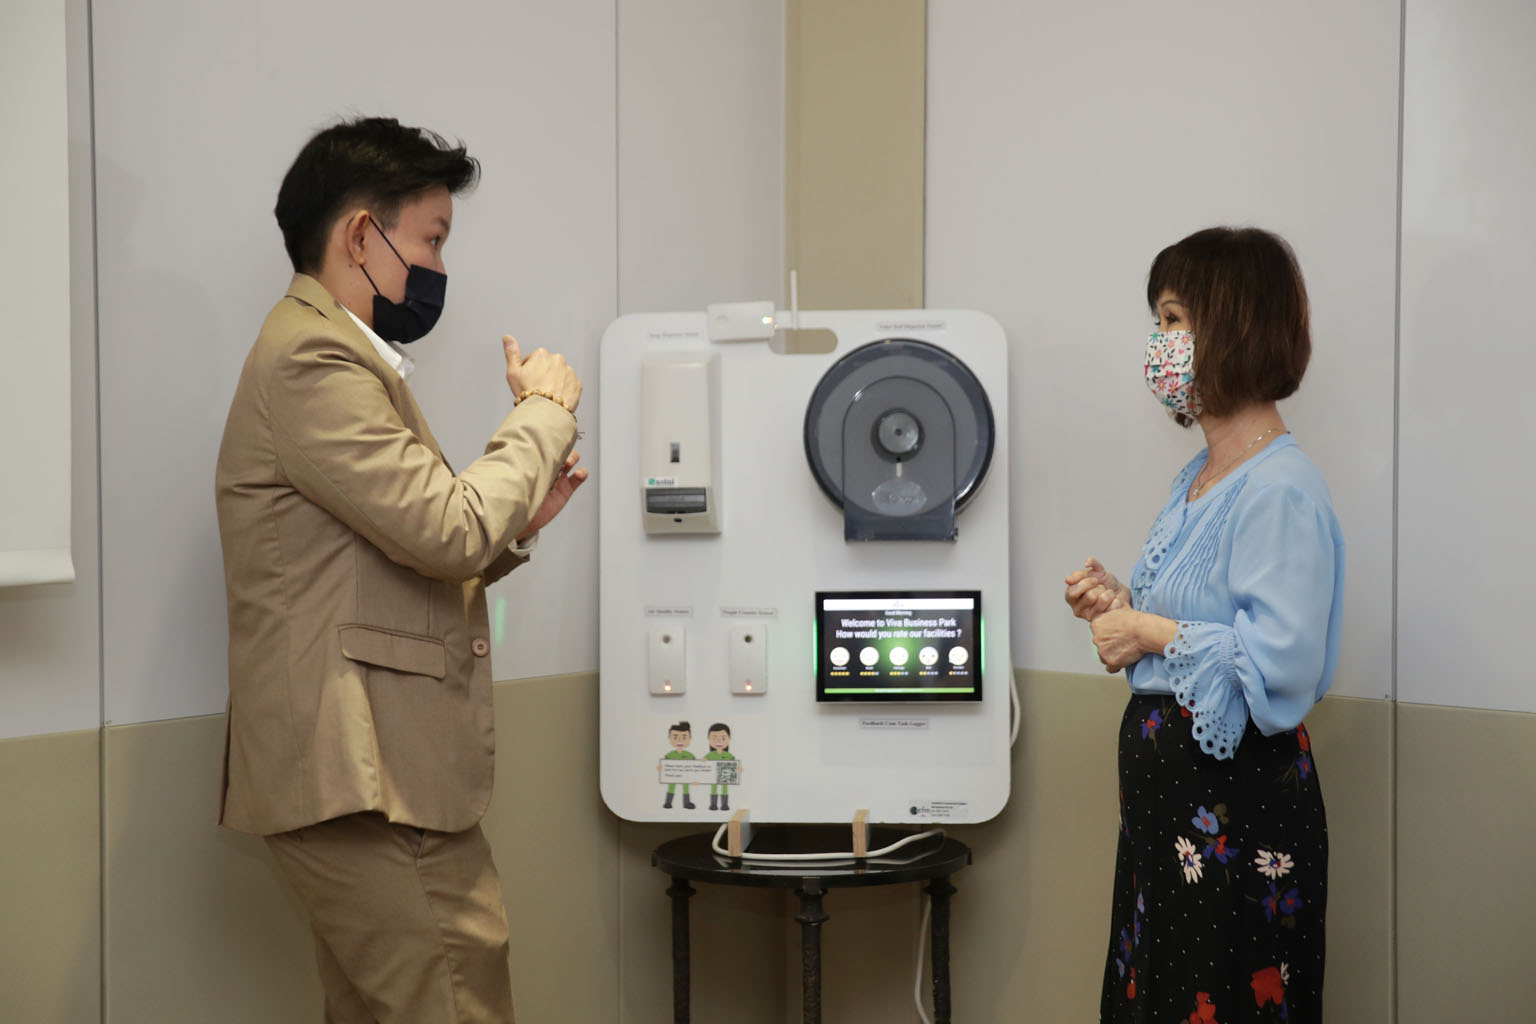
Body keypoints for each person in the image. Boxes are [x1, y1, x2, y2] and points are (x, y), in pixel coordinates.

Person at [214, 116, 588, 1023]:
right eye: (430, 240)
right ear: (358, 235)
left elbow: (396, 557)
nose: (439, 268)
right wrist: (542, 416)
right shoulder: (314, 357)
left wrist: (513, 528)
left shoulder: (334, 356)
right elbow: (448, 528)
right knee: (454, 1001)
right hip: (368, 775)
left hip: (373, 771)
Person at [1063, 226, 1344, 1023]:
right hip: (1170, 818)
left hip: (1234, 820)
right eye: (1159, 322)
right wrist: (1121, 604)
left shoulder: (1281, 487)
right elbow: (1202, 626)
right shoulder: (1202, 474)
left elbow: (1281, 668)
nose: (1161, 344)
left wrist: (1148, 633)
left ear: (1236, 325)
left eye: (1175, 320)